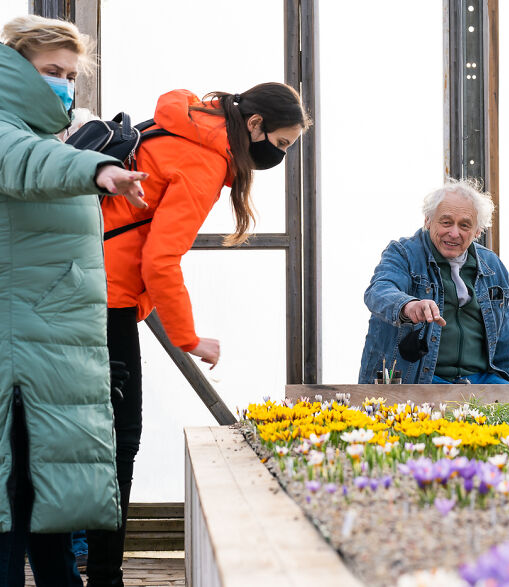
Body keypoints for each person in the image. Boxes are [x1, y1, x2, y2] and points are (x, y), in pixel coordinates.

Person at [0, 15, 148, 587]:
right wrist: (96, 167)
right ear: (15, 66)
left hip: (42, 334)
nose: (65, 87)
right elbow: (24, 165)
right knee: (11, 501)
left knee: (45, 500)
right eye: (53, 72)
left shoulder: (33, 131)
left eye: (72, 77)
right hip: (12, 341)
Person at [85, 84, 310, 586]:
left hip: (84, 283)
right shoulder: (205, 162)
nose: (281, 154)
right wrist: (190, 339)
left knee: (81, 436)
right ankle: (102, 575)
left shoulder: (184, 122)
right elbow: (160, 259)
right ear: (254, 126)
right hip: (106, 299)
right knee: (121, 440)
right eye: (283, 142)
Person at [358, 179, 509, 385]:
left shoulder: (492, 266)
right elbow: (378, 291)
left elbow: (506, 346)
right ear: (428, 221)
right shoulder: (403, 253)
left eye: (464, 225)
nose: (454, 233)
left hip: (480, 381)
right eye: (446, 222)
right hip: (420, 380)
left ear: (478, 231)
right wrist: (409, 306)